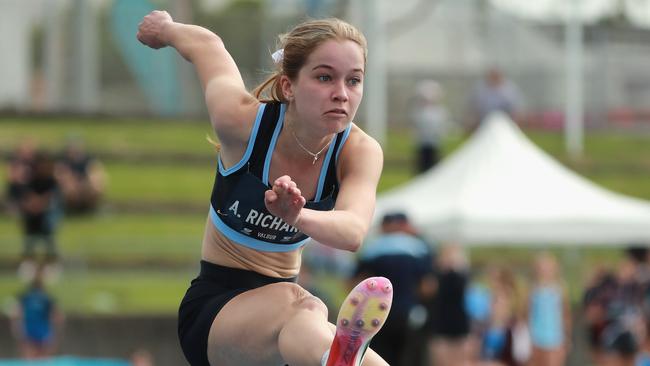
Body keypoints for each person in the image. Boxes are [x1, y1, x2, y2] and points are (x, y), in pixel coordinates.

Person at [137, 11, 393, 366]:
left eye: (354, 81)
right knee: (306, 303)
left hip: (290, 327)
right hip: (216, 313)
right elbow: (208, 46)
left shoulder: (359, 151)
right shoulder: (241, 123)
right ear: (289, 86)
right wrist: (165, 28)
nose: (341, 94)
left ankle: (336, 360)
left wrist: (295, 215)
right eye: (324, 77)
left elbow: (352, 232)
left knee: (315, 318)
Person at [353, 212, 435, 366]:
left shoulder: (372, 248)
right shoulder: (420, 248)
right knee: (410, 357)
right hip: (409, 313)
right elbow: (427, 287)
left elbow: (355, 282)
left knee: (380, 357)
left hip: (378, 314)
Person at [9, 264, 64, 359]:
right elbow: (58, 317)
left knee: (32, 357)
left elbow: (15, 314)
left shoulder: (26, 296)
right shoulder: (45, 297)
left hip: (33, 329)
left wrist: (16, 326)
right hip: (39, 330)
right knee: (42, 358)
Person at [525, 252, 571, 366]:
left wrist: (567, 337)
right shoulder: (533, 289)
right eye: (542, 268)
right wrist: (528, 338)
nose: (545, 271)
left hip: (555, 339)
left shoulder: (560, 289)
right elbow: (528, 314)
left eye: (548, 268)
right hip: (536, 338)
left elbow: (565, 315)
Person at [55, 137, 106, 214]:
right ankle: (71, 210)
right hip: (71, 186)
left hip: (85, 185)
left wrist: (88, 183)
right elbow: (61, 175)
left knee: (95, 188)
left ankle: (90, 210)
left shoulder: (89, 160)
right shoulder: (63, 162)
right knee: (70, 189)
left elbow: (96, 173)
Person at [410, 80, 451, 173]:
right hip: (422, 144)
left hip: (434, 144)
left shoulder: (440, 111)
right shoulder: (418, 111)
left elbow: (441, 128)